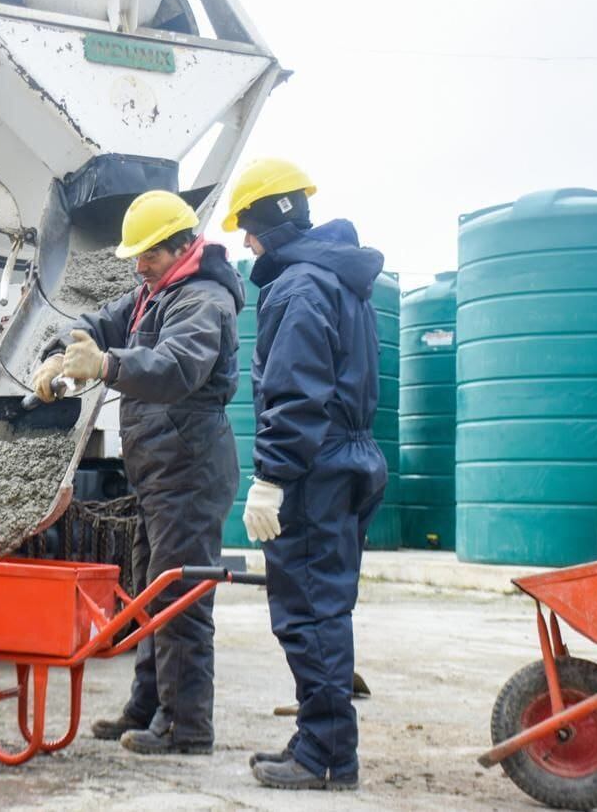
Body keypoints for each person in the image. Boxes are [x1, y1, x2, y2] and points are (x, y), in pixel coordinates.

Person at [31, 190, 244, 754]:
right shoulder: (156, 292)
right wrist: (62, 348)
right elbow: (102, 322)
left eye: (147, 254)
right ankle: (147, 708)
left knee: (182, 602)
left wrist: (104, 365)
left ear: (180, 246)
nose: (137, 264)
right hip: (160, 470)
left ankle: (185, 727)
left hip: (190, 471)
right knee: (153, 594)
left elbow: (177, 368)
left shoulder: (201, 300)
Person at [222, 158, 387, 790]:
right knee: (326, 606)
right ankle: (320, 738)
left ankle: (325, 755)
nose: (244, 242)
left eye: (247, 227)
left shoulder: (298, 288)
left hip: (315, 468)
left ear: (265, 221)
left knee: (309, 610)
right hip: (350, 457)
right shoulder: (342, 280)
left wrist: (273, 475)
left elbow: (294, 393)